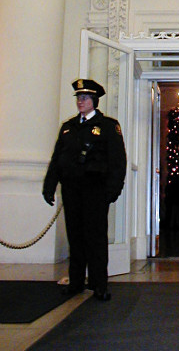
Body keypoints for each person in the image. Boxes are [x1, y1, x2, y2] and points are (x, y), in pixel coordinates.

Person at [42, 79, 127, 301]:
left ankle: (99, 284)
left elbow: (118, 161)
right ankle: (76, 282)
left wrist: (113, 190)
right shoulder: (68, 127)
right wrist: (49, 186)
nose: (80, 101)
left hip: (95, 190)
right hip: (72, 190)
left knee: (96, 238)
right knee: (75, 237)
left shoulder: (108, 126)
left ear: (94, 101)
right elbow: (57, 159)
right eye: (79, 98)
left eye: (85, 98)